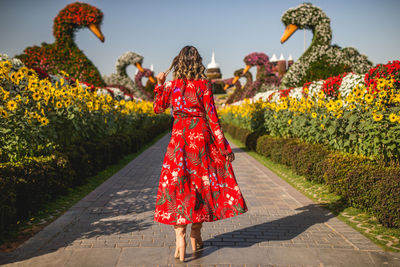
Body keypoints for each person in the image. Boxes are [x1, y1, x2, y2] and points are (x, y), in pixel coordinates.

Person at [153, 46, 247, 262]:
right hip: (200, 139)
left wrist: (159, 85)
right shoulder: (204, 84)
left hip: (179, 140)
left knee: (178, 186)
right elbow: (212, 117)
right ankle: (196, 232)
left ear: (178, 64)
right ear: (197, 62)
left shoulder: (171, 85)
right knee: (200, 185)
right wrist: (224, 147)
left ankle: (180, 238)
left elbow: (158, 108)